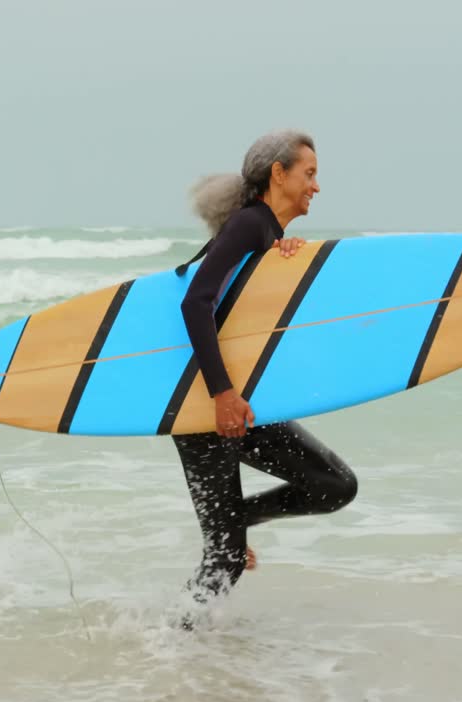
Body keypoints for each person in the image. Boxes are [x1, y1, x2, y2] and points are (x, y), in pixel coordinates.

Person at [173, 129, 359, 614]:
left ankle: (234, 523)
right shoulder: (249, 224)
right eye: (309, 174)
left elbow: (246, 316)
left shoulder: (263, 234)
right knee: (227, 560)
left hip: (241, 405)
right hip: (206, 414)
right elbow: (195, 302)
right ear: (279, 174)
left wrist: (278, 263)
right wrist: (221, 395)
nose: (316, 186)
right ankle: (175, 650)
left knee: (334, 485)